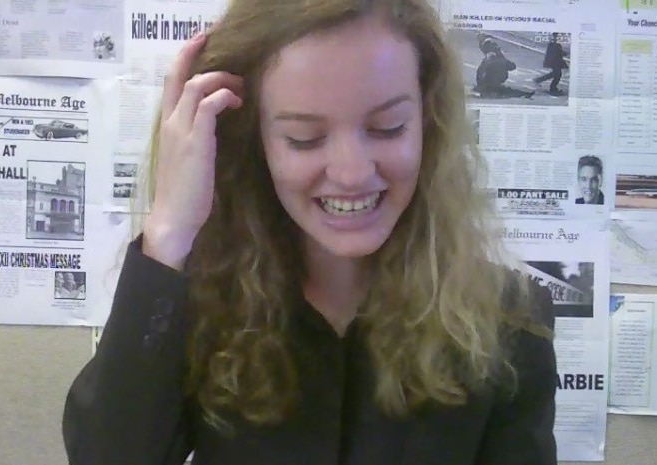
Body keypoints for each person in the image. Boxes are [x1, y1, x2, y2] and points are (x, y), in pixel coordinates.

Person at [62, 1, 557, 464]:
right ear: (254, 140)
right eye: (304, 138)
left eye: (387, 128)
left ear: (428, 123)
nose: (351, 173)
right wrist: (169, 229)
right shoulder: (198, 303)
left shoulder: (508, 320)